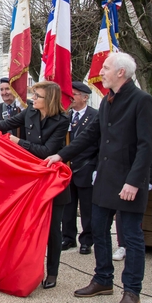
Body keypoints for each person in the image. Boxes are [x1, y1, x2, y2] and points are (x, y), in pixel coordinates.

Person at [45, 52, 152, 303]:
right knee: (98, 230)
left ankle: (132, 290)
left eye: (105, 68)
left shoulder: (142, 100)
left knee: (130, 237)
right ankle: (103, 279)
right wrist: (61, 155)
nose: (101, 72)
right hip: (106, 179)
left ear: (120, 72)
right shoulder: (107, 101)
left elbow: (147, 146)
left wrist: (134, 182)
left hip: (129, 183)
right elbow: (90, 135)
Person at [0, 80, 70, 289]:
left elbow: (47, 151)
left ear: (49, 99)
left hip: (51, 180)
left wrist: (19, 143)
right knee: (28, 227)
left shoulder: (61, 120)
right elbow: (5, 125)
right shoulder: (30, 112)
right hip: (30, 178)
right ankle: (26, 269)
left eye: (37, 96)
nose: (33, 99)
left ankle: (52, 273)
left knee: (53, 230)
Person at [61, 81, 98, 255]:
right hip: (68, 167)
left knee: (86, 208)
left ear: (85, 97)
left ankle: (87, 240)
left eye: (75, 94)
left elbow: (98, 144)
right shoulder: (66, 116)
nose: (71, 97)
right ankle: (68, 237)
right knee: (68, 206)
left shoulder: (94, 116)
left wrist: (95, 167)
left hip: (86, 166)